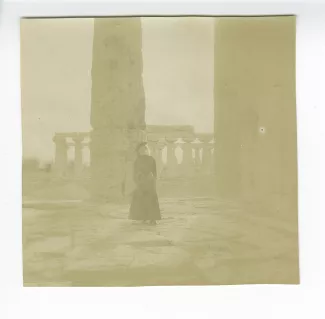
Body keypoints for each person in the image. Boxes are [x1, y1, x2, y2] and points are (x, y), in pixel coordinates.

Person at [128, 142, 161, 225]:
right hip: (141, 183)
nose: (143, 151)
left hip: (149, 183)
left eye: (145, 149)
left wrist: (152, 176)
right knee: (142, 200)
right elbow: (135, 173)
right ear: (139, 151)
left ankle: (153, 218)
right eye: (142, 149)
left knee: (151, 200)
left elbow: (154, 172)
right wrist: (139, 177)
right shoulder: (137, 160)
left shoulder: (151, 159)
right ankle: (144, 217)